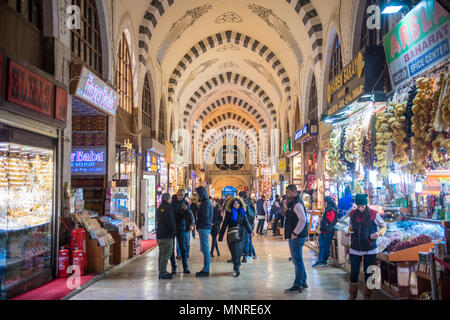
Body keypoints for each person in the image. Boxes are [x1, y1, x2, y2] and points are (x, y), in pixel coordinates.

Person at [347, 194, 387, 300]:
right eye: (358, 206)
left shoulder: (374, 214)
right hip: (355, 247)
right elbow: (351, 226)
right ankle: (352, 295)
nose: (360, 208)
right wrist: (349, 231)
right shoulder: (352, 214)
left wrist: (378, 234)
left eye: (362, 206)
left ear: (366, 204)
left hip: (370, 249)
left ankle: (367, 296)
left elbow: (384, 226)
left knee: (369, 273)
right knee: (354, 272)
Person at [219, 196, 253, 277]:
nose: (236, 205)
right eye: (234, 203)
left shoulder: (242, 212)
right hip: (232, 234)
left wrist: (250, 232)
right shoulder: (229, 213)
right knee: (234, 251)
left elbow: (246, 222)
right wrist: (221, 235)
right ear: (231, 204)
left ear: (240, 204)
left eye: (238, 203)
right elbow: (224, 224)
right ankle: (236, 265)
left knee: (239, 251)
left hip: (241, 234)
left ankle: (237, 264)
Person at [284, 185, 309, 293]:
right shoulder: (293, 203)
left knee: (297, 261)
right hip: (297, 236)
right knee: (298, 260)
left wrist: (295, 232)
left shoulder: (297, 204)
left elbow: (303, 220)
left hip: (297, 237)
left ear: (294, 192)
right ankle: (303, 281)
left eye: (288, 192)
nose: (286, 194)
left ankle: (297, 284)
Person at [171, 189, 193, 274]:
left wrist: (186, 210)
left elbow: (189, 216)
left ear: (184, 196)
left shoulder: (185, 203)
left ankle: (185, 267)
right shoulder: (172, 202)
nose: (179, 196)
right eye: (178, 194)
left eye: (181, 195)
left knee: (183, 248)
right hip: (172, 228)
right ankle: (173, 266)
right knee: (171, 249)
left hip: (181, 227)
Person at [313, 196, 338, 268]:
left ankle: (322, 261)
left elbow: (330, 220)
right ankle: (322, 261)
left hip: (327, 231)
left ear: (327, 202)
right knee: (323, 246)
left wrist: (324, 219)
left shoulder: (330, 210)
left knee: (324, 246)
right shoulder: (330, 208)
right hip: (325, 231)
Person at [156, 193, 176, 279]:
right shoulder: (168, 208)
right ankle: (163, 272)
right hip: (167, 235)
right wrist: (174, 231)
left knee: (162, 253)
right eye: (170, 199)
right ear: (168, 199)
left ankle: (161, 271)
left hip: (160, 234)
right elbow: (170, 221)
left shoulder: (159, 208)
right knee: (167, 253)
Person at [195, 186, 214, 277]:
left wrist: (199, 224)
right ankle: (205, 269)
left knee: (205, 249)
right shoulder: (206, 201)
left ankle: (206, 270)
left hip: (204, 227)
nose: (197, 195)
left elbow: (205, 216)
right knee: (204, 249)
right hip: (204, 227)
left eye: (198, 194)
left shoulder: (205, 202)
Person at [239, 191, 257, 262]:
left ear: (241, 196)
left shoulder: (243, 203)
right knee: (249, 239)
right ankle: (252, 254)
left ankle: (246, 256)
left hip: (246, 224)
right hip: (251, 223)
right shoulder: (250, 201)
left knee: (246, 240)